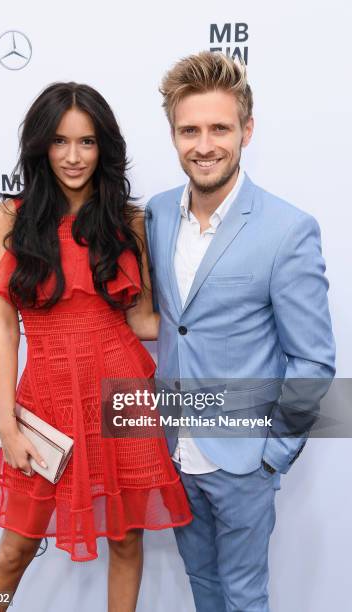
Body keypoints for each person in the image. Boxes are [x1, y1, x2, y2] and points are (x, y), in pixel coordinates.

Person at [0, 82, 192, 612]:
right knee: (14, 549)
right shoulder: (8, 218)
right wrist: (7, 422)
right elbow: (4, 328)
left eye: (87, 142)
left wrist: (227, 322)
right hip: (45, 400)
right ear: (40, 147)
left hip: (122, 394)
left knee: (126, 538)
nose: (73, 157)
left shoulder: (130, 221)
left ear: (104, 148)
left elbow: (143, 320)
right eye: (59, 142)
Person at [144, 51, 336, 611]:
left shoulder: (288, 229)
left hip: (244, 459)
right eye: (189, 130)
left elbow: (314, 361)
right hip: (174, 450)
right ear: (174, 135)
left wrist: (273, 454)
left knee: (246, 598)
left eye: (219, 128)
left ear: (246, 130)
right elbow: (172, 324)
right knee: (202, 590)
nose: (204, 145)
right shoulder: (154, 216)